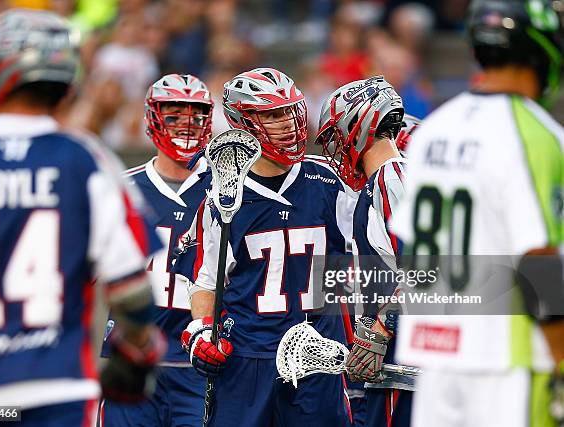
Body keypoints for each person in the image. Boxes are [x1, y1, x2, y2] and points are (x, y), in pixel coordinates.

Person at [0, 9, 164, 426]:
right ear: (66, 79)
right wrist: (137, 349)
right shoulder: (84, 159)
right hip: (59, 387)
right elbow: (133, 290)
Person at [389, 0, 564, 426]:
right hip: (505, 359)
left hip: (434, 357)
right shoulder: (538, 136)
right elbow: (539, 263)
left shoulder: (433, 129)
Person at [176, 67, 354, 427]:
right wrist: (200, 331)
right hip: (248, 357)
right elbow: (207, 281)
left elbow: (370, 260)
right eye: (273, 115)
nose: (288, 123)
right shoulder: (224, 194)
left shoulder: (331, 181)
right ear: (243, 122)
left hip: (318, 355)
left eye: (290, 111)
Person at [97, 73, 214, 427]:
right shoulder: (124, 187)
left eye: (196, 114)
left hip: (199, 362)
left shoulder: (227, 188)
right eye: (174, 113)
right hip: (133, 359)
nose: (186, 124)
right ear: (153, 117)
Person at [316, 76, 413, 427]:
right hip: (398, 357)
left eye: (338, 136)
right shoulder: (384, 180)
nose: (338, 149)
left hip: (408, 357)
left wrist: (380, 328)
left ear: (360, 124)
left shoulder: (392, 176)